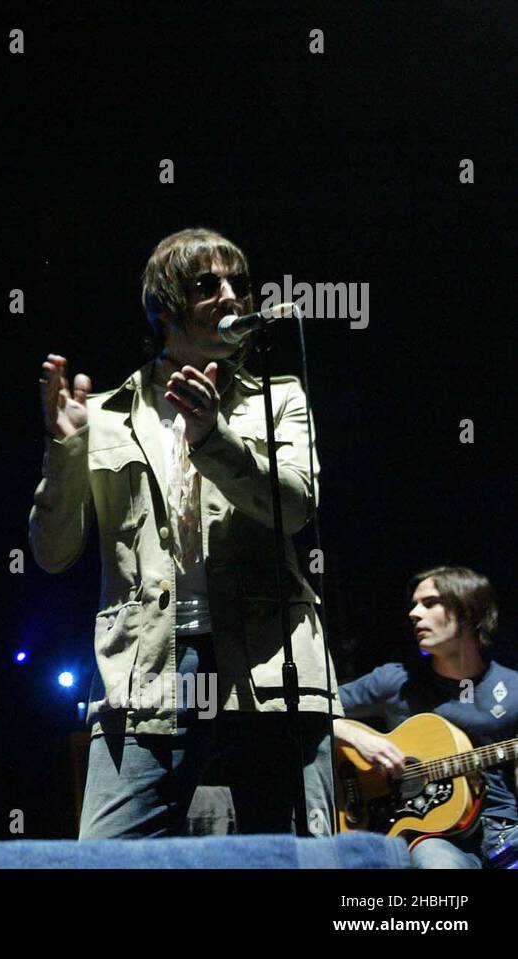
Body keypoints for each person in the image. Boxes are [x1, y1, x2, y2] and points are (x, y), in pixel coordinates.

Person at [30, 227, 342, 838]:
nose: (231, 297)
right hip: (147, 670)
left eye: (240, 284)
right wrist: (65, 449)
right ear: (166, 308)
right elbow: (51, 552)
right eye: (208, 285)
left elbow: (298, 506)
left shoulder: (277, 398)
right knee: (107, 854)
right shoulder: (106, 414)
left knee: (296, 858)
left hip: (270, 664)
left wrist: (213, 438)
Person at [335, 566, 518, 868]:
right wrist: (360, 739)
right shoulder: (394, 681)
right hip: (431, 835)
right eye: (414, 604)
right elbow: (308, 708)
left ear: (469, 610)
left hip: (503, 827)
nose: (414, 614)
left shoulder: (512, 688)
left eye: (430, 603)